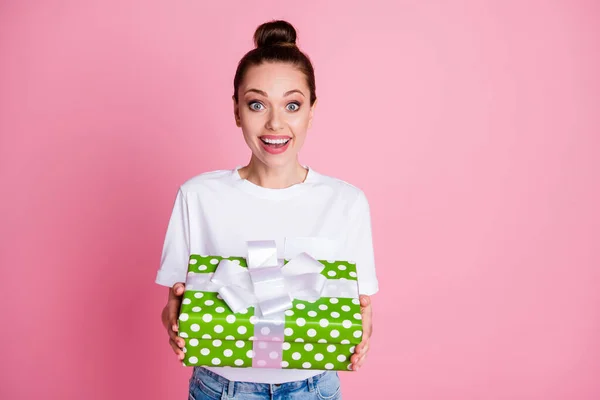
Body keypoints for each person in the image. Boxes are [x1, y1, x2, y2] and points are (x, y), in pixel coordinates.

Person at [156, 20, 379, 400]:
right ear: (237, 110)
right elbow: (174, 307)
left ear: (311, 111)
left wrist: (361, 331)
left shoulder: (347, 202)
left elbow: (359, 311)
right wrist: (174, 322)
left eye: (292, 105)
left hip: (313, 389)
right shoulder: (198, 196)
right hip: (219, 387)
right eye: (257, 104)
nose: (275, 123)